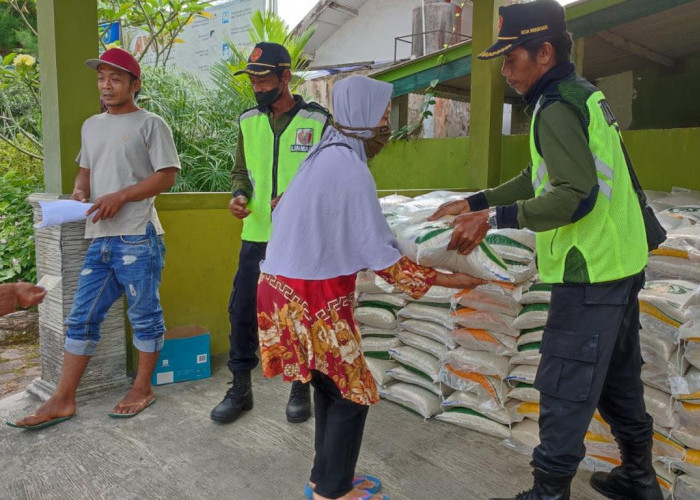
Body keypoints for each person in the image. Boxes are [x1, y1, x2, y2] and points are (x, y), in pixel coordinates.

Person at [431, 2, 662, 499]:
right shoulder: (580, 95)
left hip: (589, 270)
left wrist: (491, 219)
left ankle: (548, 493)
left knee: (564, 385)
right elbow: (539, 178)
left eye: (511, 58)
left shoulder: (556, 105)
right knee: (616, 380)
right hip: (620, 265)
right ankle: (639, 479)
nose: (505, 70)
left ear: (544, 52)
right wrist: (474, 200)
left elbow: (573, 196)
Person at [257, 75, 485, 500]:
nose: (386, 127)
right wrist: (452, 279)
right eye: (381, 116)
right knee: (353, 393)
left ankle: (322, 480)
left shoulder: (324, 153)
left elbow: (368, 233)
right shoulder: (348, 168)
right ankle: (333, 492)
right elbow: (383, 259)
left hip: (281, 291)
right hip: (312, 299)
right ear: (360, 116)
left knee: (330, 386)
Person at [10, 47, 180, 430]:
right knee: (81, 317)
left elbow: (166, 175)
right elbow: (84, 172)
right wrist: (79, 193)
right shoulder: (91, 125)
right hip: (99, 239)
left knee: (145, 316)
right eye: (101, 78)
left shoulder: (151, 124)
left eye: (115, 78)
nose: (106, 84)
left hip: (138, 237)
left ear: (135, 84)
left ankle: (141, 388)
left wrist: (121, 195)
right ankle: (62, 399)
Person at [210, 42, 331, 425]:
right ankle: (240, 387)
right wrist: (239, 195)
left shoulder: (318, 121)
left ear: (285, 77)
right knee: (243, 310)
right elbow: (240, 172)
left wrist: (299, 198)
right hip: (257, 234)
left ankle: (300, 384)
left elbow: (331, 179)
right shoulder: (248, 120)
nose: (258, 87)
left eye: (265, 80)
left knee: (300, 315)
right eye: (253, 81)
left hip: (301, 239)